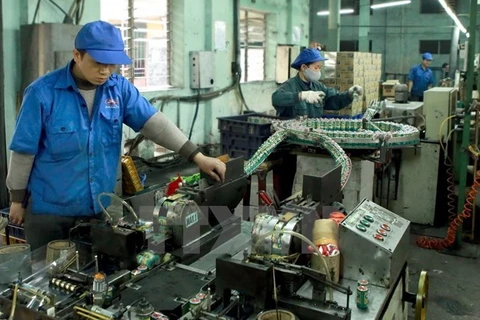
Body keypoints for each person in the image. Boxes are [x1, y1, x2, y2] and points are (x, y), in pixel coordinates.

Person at [6, 20, 226, 250]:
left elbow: (154, 124)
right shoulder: (42, 93)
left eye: (112, 65)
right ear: (77, 55)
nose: (105, 71)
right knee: (46, 278)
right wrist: (17, 200)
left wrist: (198, 157)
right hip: (50, 213)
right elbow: (23, 151)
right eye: (98, 63)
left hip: (99, 211)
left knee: (99, 276)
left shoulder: (119, 88)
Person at [271, 48, 363, 201]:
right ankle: (283, 210)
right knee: (286, 186)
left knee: (310, 185)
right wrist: (301, 96)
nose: (319, 71)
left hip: (312, 143)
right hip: (290, 147)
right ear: (304, 67)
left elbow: (334, 100)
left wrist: (349, 94)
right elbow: (276, 99)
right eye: (316, 67)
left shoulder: (318, 87)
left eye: (320, 67)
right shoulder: (290, 86)